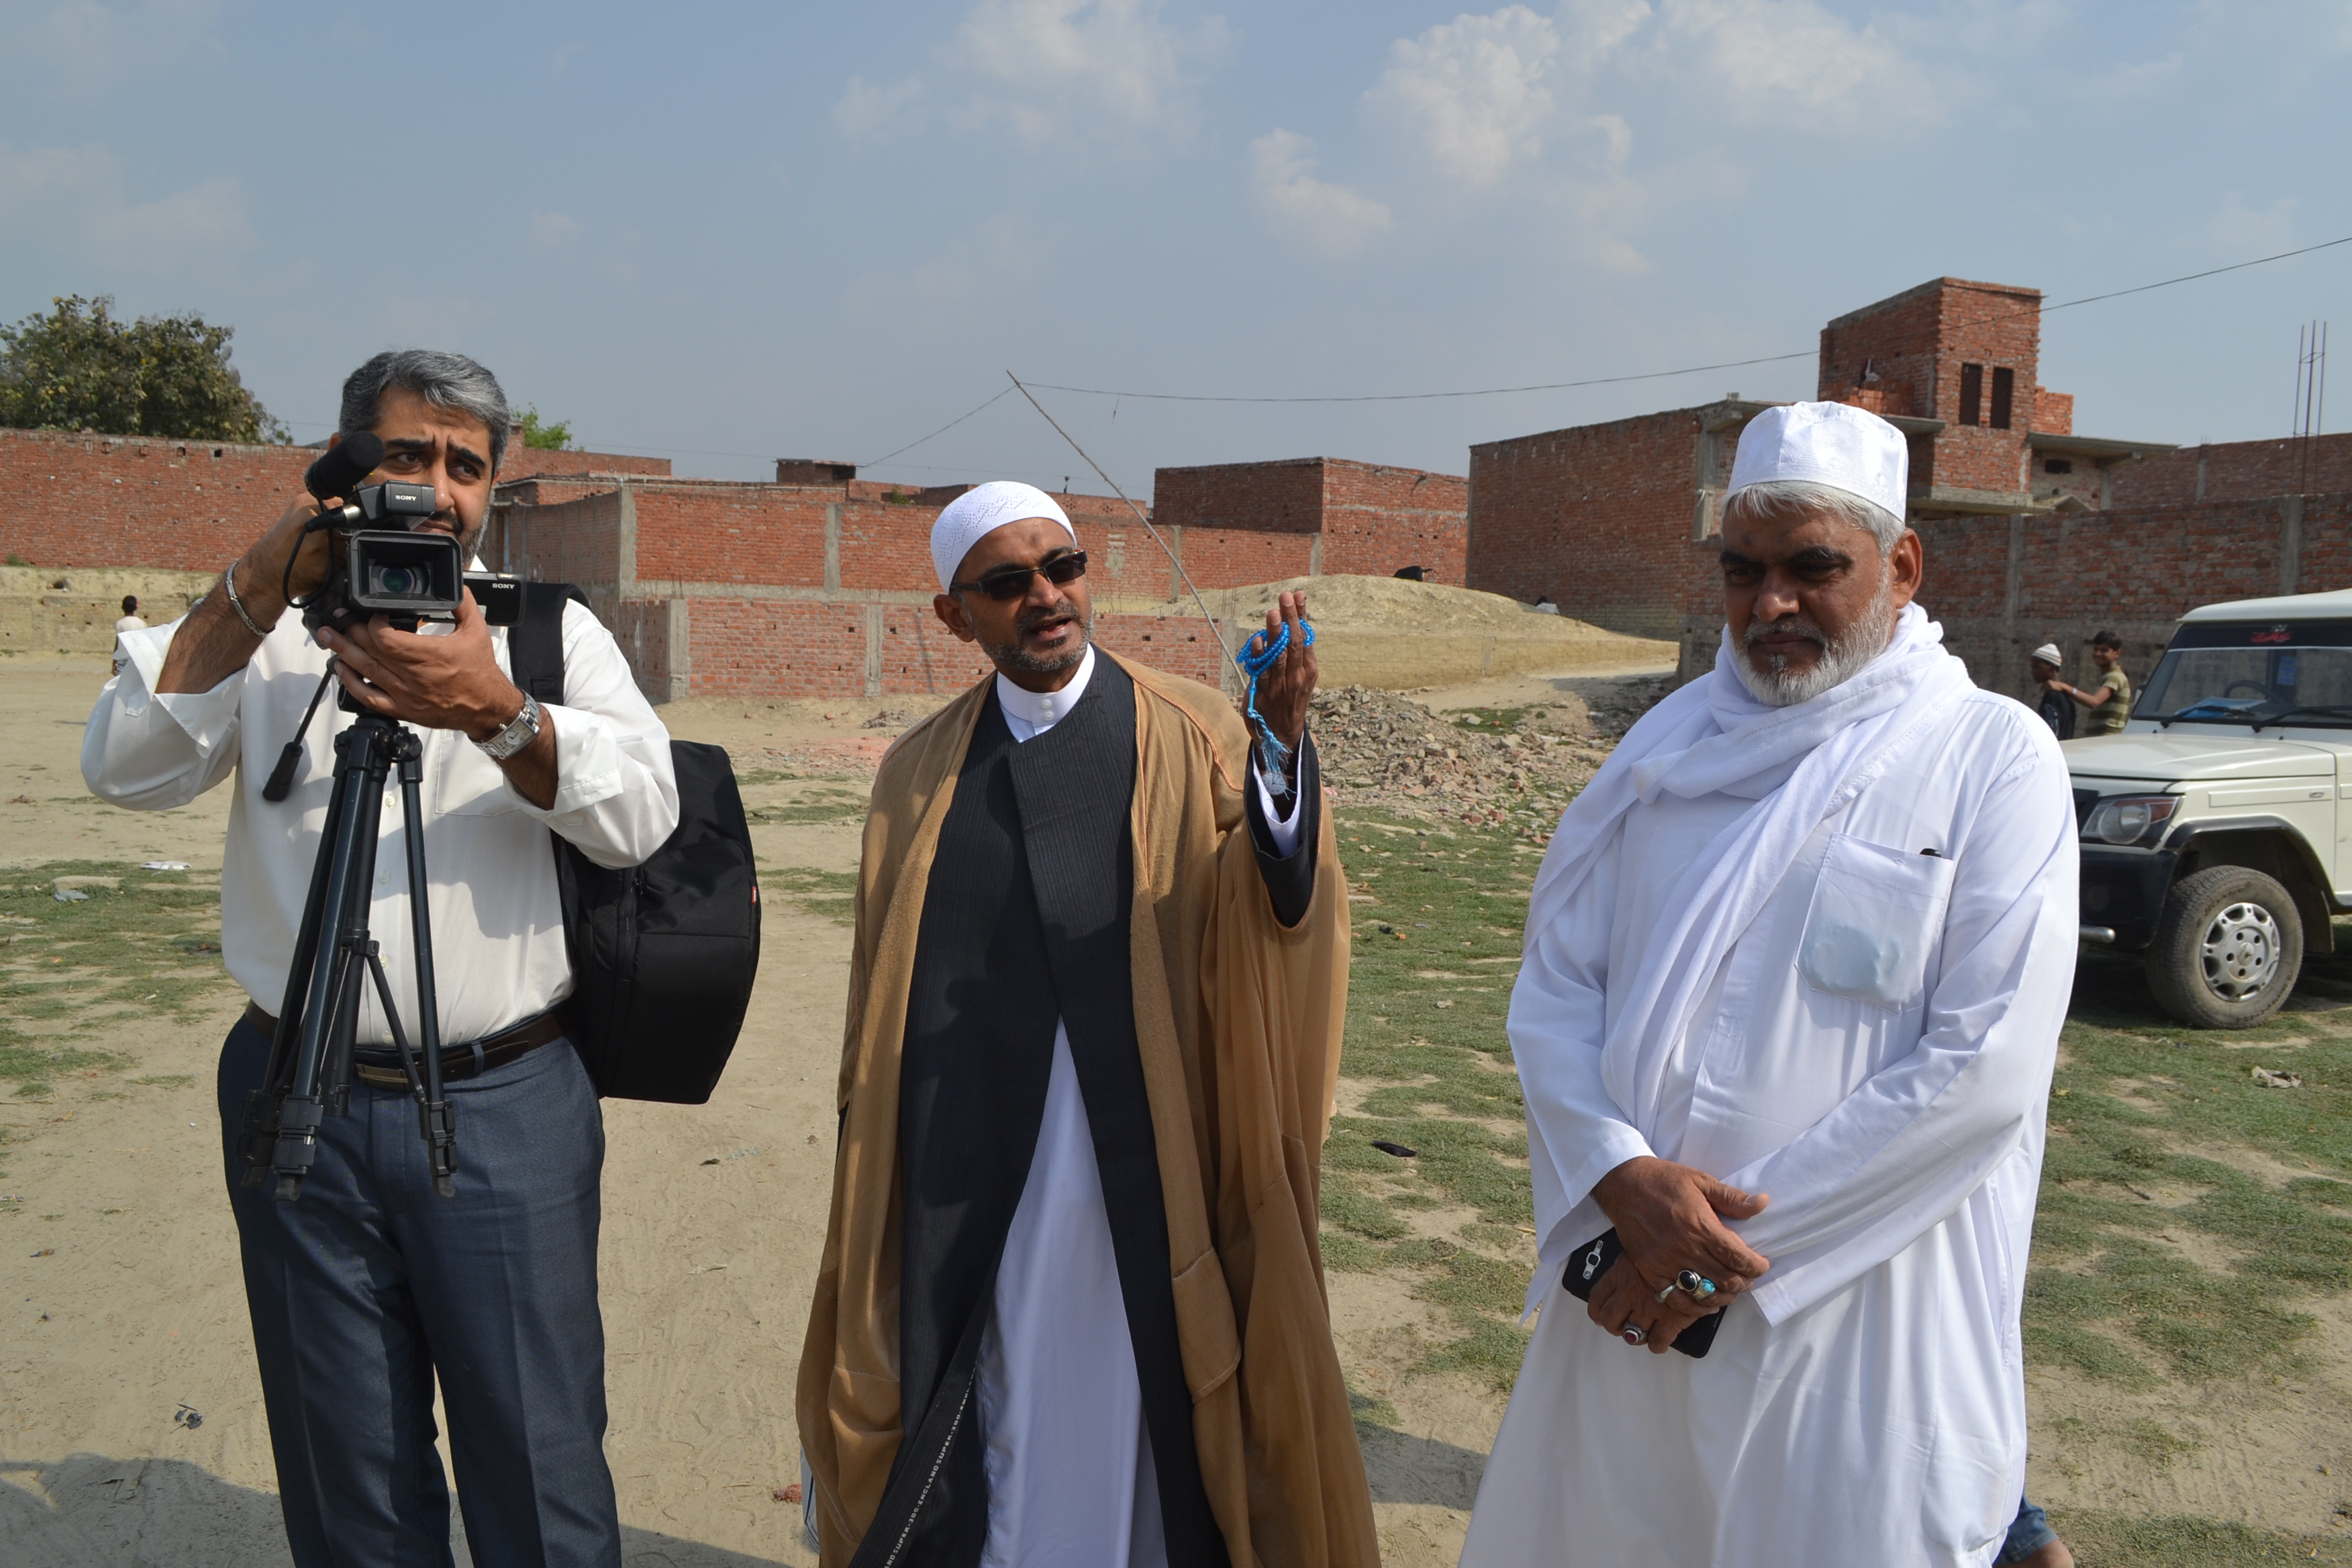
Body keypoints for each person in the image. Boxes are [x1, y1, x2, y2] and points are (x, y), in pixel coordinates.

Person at [82, 350, 679, 1568]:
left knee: (541, 1466)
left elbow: (642, 819)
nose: (437, 491)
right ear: (345, 466)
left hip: (506, 1104)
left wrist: (496, 709)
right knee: (347, 1475)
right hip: (296, 1099)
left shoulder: (546, 630)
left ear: (494, 488)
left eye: (466, 466)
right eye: (407, 455)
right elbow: (127, 768)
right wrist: (261, 579)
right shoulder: (270, 632)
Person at [1460, 401, 2078, 1567]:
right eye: (1743, 571)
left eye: (1813, 569)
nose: (1771, 604)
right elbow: (1557, 990)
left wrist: (1711, 1251)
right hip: (1636, 1300)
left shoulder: (1991, 756)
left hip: (1855, 1318)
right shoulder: (1665, 749)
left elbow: (1985, 1067)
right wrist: (1620, 1176)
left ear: (1901, 566)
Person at [797, 481, 1374, 1567]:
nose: (1047, 597)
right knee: (1000, 1404)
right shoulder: (917, 775)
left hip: (1154, 1164)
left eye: (1062, 567)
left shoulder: (1193, 731)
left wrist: (1282, 752)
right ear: (955, 616)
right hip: (979, 1182)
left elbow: (1277, 912)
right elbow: (881, 1004)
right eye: (1008, 583)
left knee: (1150, 1408)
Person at [2051, 630, 2129, 735]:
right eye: (2096, 649)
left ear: (2117, 653)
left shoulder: (2114, 677)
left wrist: (2064, 687)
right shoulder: (2109, 676)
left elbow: (2094, 702)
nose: (2098, 654)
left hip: (2106, 737)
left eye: (2104, 650)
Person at [2029, 642, 2074, 741]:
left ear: (2052, 668)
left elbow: (2052, 732)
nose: (2033, 671)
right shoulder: (2067, 696)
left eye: (2037, 667)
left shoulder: (2052, 696)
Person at [112, 593, 146, 676]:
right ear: (136, 608)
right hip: (138, 658)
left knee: (121, 681)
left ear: (123, 607)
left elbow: (118, 643)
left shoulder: (120, 623)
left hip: (123, 658)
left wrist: (114, 662)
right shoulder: (142, 623)